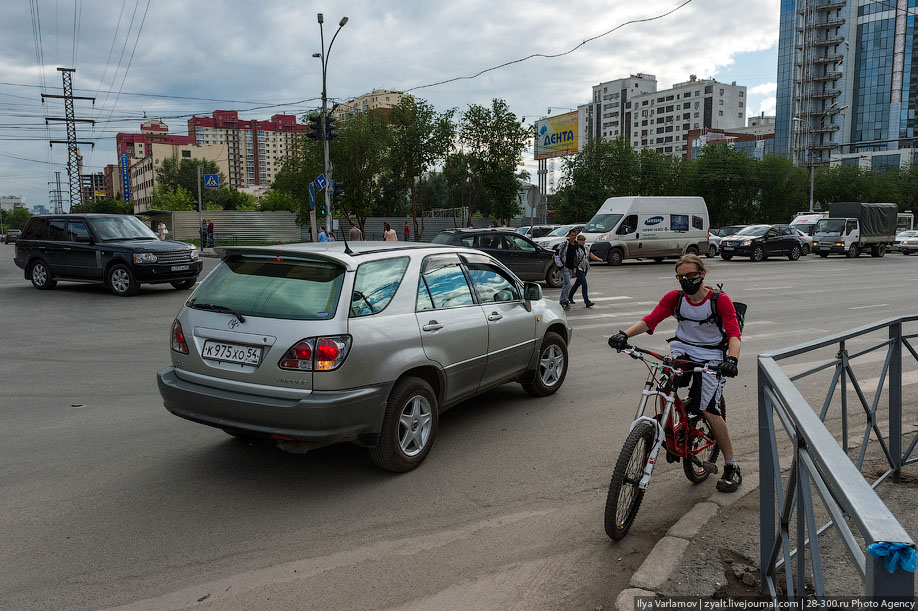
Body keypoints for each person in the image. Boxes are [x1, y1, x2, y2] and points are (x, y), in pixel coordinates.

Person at [608, 253, 743, 493]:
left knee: (708, 408)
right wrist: (625, 335)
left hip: (711, 357)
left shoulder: (719, 300)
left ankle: (731, 465)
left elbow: (733, 333)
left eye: (691, 275)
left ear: (702, 274)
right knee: (663, 390)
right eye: (681, 276)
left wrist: (731, 360)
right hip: (682, 350)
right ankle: (672, 433)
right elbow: (651, 320)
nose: (686, 280)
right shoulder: (675, 298)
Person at [567, 234, 602, 307]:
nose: (583, 242)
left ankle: (569, 296)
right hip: (578, 268)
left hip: (585, 268)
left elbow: (590, 255)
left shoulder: (586, 247)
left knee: (577, 283)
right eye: (581, 240)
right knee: (584, 284)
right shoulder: (576, 248)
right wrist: (574, 268)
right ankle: (587, 301)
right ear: (578, 240)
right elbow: (574, 259)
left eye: (584, 240)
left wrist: (598, 259)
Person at [556, 228, 579, 310]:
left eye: (575, 235)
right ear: (569, 235)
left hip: (570, 267)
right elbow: (557, 254)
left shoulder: (576, 245)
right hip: (564, 266)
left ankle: (562, 300)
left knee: (565, 284)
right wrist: (560, 265)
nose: (573, 237)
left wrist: (575, 267)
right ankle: (565, 301)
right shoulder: (564, 244)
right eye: (572, 235)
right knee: (568, 283)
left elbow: (575, 257)